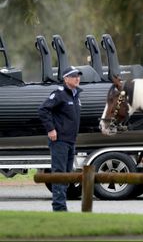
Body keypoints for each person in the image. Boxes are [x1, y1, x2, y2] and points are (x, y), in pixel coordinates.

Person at [38, 66, 83, 211]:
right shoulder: (59, 94)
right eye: (74, 76)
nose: (77, 78)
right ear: (66, 79)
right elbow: (43, 109)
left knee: (67, 175)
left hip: (71, 141)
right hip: (60, 142)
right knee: (59, 174)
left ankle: (61, 205)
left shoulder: (75, 95)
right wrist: (51, 129)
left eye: (78, 75)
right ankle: (59, 208)